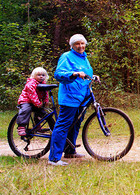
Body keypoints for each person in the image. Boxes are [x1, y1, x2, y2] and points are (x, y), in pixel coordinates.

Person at [48, 34, 97, 166]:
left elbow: (85, 73)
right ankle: (54, 158)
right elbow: (58, 74)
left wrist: (93, 76)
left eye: (82, 43)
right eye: (77, 44)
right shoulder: (66, 57)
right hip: (70, 96)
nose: (80, 46)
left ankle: (70, 151)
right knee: (63, 125)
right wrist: (73, 74)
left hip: (82, 96)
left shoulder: (84, 58)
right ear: (72, 45)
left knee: (76, 123)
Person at [16, 67, 49, 136]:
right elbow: (32, 95)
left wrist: (45, 101)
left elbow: (46, 93)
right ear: (34, 76)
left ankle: (37, 126)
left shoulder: (43, 83)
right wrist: (38, 103)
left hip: (36, 102)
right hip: (26, 100)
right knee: (25, 110)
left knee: (41, 112)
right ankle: (21, 127)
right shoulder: (31, 84)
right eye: (38, 75)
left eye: (43, 75)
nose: (41, 76)